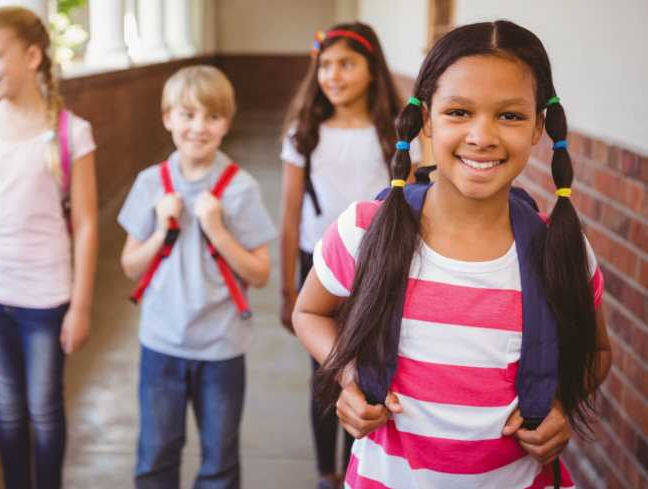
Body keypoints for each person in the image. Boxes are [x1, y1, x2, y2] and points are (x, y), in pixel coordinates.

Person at [292, 20, 611, 489]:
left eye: (510, 116)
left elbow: (598, 350)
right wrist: (348, 374)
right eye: (459, 112)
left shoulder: (559, 248)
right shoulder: (365, 230)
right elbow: (310, 312)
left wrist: (560, 400)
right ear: (425, 119)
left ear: (540, 126)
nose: (482, 136)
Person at [0, 7, 98, 489]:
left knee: (44, 408)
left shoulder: (71, 132)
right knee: (7, 408)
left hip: (46, 297)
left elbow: (88, 224)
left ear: (32, 56)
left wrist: (80, 306)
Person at [119, 65, 277, 489]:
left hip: (221, 346)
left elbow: (260, 273)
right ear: (168, 117)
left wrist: (217, 229)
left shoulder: (240, 188)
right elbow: (130, 265)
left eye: (212, 116)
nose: (198, 127)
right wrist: (159, 229)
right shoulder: (150, 183)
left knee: (219, 462)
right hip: (161, 342)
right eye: (186, 115)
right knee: (155, 454)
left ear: (227, 122)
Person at [278, 23, 421, 489]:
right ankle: (326, 472)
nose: (333, 75)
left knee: (370, 368)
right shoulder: (304, 134)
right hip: (318, 271)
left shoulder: (397, 135)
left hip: (378, 269)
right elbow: (290, 215)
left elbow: (415, 203)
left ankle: (363, 462)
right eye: (325, 65)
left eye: (347, 64)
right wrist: (288, 290)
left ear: (373, 70)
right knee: (325, 371)